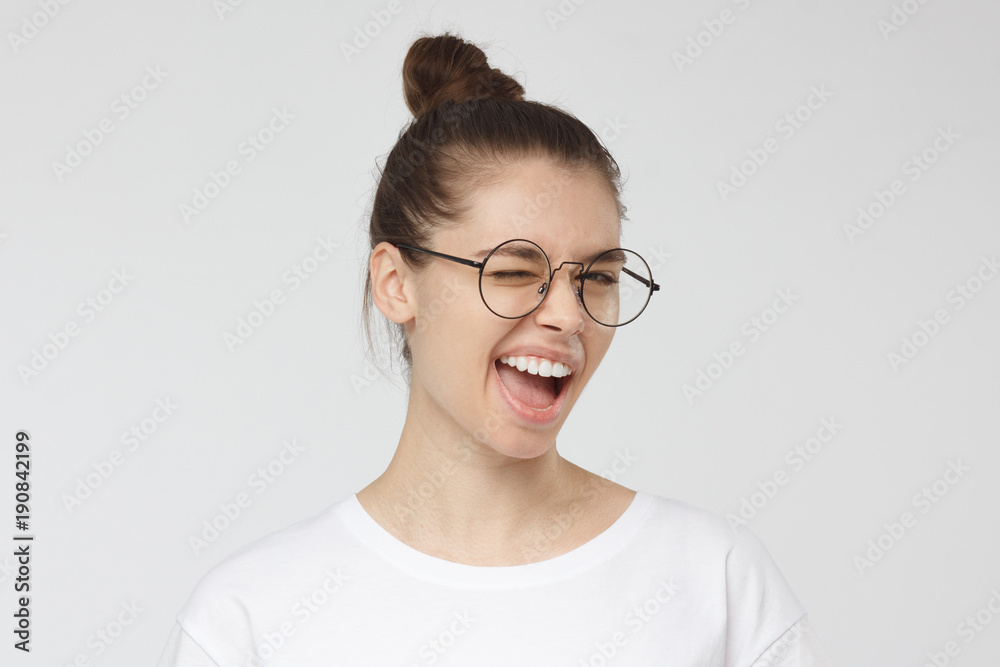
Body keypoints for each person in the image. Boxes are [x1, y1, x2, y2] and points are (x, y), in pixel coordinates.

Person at [156, 32, 837, 666]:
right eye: (513, 271)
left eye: (597, 277)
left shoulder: (716, 585)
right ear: (396, 283)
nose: (569, 316)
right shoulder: (249, 620)